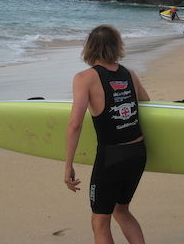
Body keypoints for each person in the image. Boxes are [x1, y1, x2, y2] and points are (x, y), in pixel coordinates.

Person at [64, 25, 150, 243]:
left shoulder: (85, 78)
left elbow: (75, 124)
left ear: (90, 48)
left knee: (100, 221)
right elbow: (148, 106)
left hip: (111, 158)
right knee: (121, 211)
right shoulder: (129, 74)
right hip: (137, 152)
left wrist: (68, 165)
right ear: (116, 46)